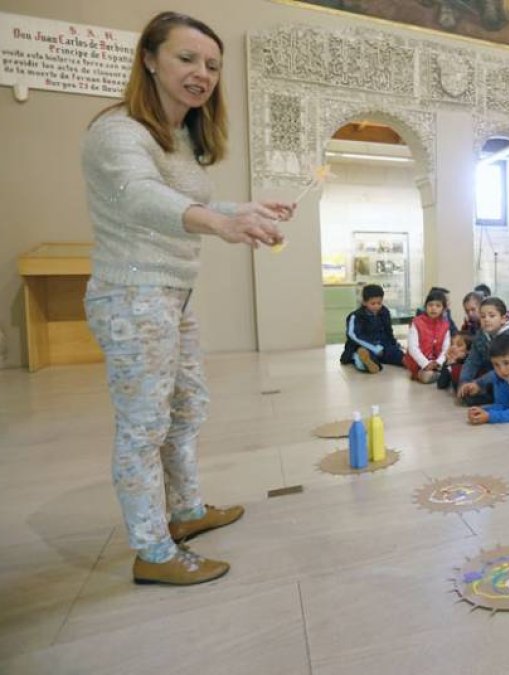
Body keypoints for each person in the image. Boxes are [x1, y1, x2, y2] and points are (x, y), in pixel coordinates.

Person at [82, 11, 292, 585]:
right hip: (131, 294)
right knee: (142, 427)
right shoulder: (118, 131)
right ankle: (153, 553)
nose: (202, 73)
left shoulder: (178, 138)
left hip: (173, 295)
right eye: (187, 58)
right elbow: (140, 199)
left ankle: (185, 512)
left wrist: (245, 211)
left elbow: (191, 200)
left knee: (188, 408)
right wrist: (221, 226)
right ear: (150, 58)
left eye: (212, 65)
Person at [458, 297, 509, 404]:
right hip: (492, 375)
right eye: (483, 316)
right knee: (462, 383)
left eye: (492, 316)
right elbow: (472, 361)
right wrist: (464, 382)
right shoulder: (481, 335)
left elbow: (508, 369)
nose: (486, 319)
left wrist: (479, 383)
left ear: (503, 319)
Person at [339, 284, 403, 374]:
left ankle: (407, 362)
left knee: (397, 355)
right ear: (364, 302)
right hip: (364, 346)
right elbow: (353, 335)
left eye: (379, 303)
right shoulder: (356, 316)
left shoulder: (385, 312)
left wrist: (394, 344)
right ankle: (359, 358)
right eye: (373, 303)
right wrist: (375, 347)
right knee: (369, 356)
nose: (376, 306)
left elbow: (389, 331)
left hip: (383, 346)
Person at [403, 288, 452, 384]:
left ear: (443, 309)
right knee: (426, 377)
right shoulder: (417, 322)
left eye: (438, 306)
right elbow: (413, 348)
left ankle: (441, 373)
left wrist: (438, 362)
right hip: (419, 363)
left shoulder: (445, 325)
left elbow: (446, 348)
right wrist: (425, 364)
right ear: (425, 307)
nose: (433, 308)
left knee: (453, 365)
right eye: (430, 305)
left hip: (437, 363)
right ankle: (438, 375)